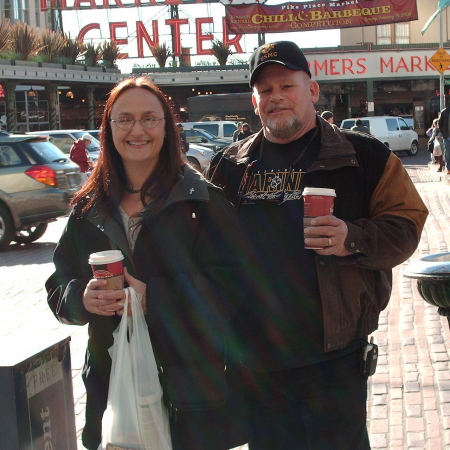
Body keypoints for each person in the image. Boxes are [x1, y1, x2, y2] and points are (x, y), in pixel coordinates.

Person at [206, 41, 428, 449]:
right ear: (255, 101)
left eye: (286, 86)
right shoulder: (229, 166)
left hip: (334, 358)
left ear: (312, 90)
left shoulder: (363, 155)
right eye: (265, 90)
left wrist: (352, 239)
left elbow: (407, 223)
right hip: (256, 363)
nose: (276, 98)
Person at [46, 77, 249, 450]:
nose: (136, 130)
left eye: (149, 119)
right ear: (108, 128)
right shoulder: (88, 208)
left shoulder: (201, 202)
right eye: (124, 120)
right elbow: (58, 286)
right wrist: (82, 299)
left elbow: (235, 289)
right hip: (114, 393)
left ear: (167, 127)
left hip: (191, 398)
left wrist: (154, 299)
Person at [438, 105, 450, 174]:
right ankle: (448, 168)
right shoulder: (444, 112)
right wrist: (444, 134)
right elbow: (440, 123)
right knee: (448, 153)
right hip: (447, 137)